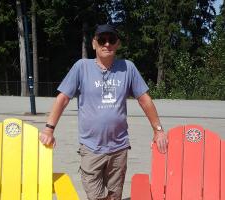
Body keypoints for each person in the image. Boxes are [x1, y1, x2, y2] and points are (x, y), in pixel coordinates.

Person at [39, 24, 168, 200]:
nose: (106, 44)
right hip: (91, 147)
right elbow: (63, 98)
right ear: (94, 43)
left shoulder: (127, 68)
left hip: (119, 148)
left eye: (111, 40)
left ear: (117, 44)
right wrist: (49, 129)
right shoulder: (81, 67)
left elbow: (144, 99)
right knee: (96, 195)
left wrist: (158, 130)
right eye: (102, 40)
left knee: (114, 196)